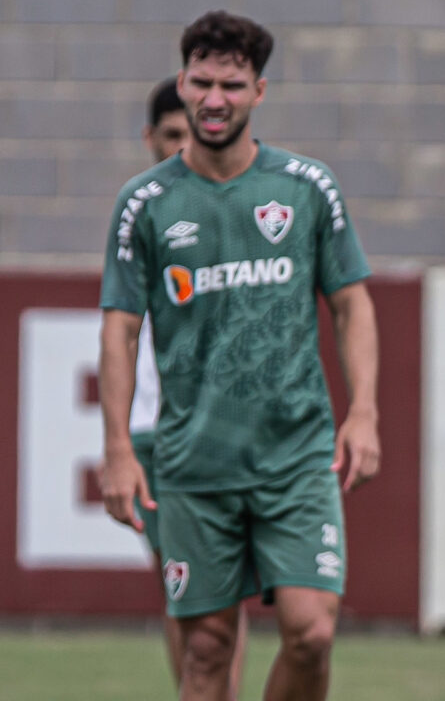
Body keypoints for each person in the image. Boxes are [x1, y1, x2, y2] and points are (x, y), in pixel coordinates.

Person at [99, 10, 381, 701]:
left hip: (294, 456)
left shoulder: (307, 188)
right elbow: (119, 330)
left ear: (259, 91)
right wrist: (116, 450)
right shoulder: (145, 204)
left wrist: (365, 413)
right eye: (200, 82)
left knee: (311, 632)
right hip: (193, 462)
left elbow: (351, 303)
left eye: (231, 84)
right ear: (183, 83)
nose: (214, 99)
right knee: (205, 651)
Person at [128, 77, 250, 699]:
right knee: (180, 586)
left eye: (190, 133)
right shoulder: (140, 214)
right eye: (171, 135)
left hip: (222, 423)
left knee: (224, 585)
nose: (183, 146)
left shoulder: (232, 208)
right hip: (155, 426)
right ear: (150, 138)